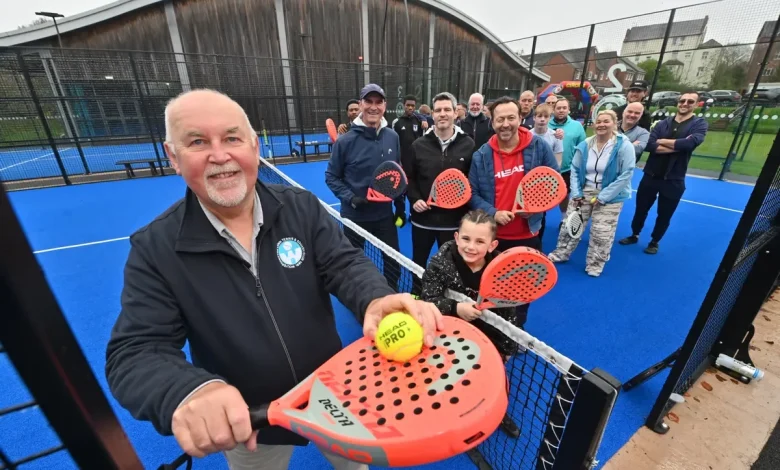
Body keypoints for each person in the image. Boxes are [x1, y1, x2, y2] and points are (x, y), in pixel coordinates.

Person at [104, 88, 444, 470]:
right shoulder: (155, 249)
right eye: (198, 142)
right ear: (173, 158)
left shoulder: (301, 207)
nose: (219, 155)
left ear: (253, 145)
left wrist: (375, 298)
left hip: (334, 392)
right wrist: (189, 391)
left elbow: (344, 263)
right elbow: (135, 352)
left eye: (232, 138)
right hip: (252, 421)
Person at [420, 209, 521, 438]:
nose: (471, 247)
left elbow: (508, 313)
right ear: (456, 238)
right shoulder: (439, 263)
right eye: (465, 238)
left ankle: (498, 410)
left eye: (479, 241)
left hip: (489, 336)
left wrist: (506, 348)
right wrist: (456, 308)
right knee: (453, 376)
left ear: (492, 245)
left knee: (492, 379)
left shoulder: (503, 270)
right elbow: (428, 299)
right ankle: (455, 412)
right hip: (450, 334)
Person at [467, 96, 559, 328]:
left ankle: (516, 333)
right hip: (493, 239)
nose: (505, 124)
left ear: (520, 118)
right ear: (492, 122)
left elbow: (553, 182)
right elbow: (473, 193)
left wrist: (537, 207)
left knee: (522, 292)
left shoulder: (539, 147)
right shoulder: (481, 155)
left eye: (511, 118)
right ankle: (493, 330)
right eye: (500, 119)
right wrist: (493, 212)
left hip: (528, 235)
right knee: (492, 292)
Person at [325, 84, 407, 289]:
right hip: (355, 218)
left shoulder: (392, 137)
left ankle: (391, 296)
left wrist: (399, 207)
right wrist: (352, 199)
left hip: (384, 216)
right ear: (360, 104)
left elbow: (394, 173)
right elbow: (331, 176)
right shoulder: (344, 141)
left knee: (393, 263)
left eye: (378, 102)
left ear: (384, 106)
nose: (373, 107)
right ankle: (360, 301)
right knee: (353, 265)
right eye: (368, 102)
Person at [548, 110, 636, 277]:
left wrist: (603, 197)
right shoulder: (586, 144)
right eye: (599, 121)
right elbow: (575, 169)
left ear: (614, 124)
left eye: (606, 121)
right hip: (584, 190)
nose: (601, 124)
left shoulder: (624, 145)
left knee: (602, 233)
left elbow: (627, 174)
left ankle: (595, 264)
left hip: (611, 195)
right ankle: (561, 253)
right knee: (570, 226)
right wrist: (577, 192)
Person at [618, 91, 708, 254]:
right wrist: (677, 146)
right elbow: (650, 145)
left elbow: (691, 143)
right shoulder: (663, 124)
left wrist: (664, 141)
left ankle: (654, 241)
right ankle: (634, 234)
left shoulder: (699, 124)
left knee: (664, 214)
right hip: (651, 175)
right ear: (678, 103)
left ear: (696, 104)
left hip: (674, 179)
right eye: (682, 101)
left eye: (690, 101)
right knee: (641, 209)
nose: (685, 104)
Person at [402, 92, 475, 279]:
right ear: (432, 114)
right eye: (438, 110)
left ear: (455, 113)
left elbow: (471, 181)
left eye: (447, 110)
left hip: (453, 222)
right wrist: (415, 199)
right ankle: (416, 292)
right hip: (422, 220)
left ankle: (447, 302)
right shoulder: (418, 145)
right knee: (418, 260)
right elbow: (409, 178)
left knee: (452, 265)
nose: (442, 114)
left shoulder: (468, 144)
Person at [547, 97, 587, 216]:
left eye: (564, 108)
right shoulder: (546, 124)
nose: (561, 110)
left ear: (569, 110)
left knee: (565, 195)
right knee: (542, 195)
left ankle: (564, 219)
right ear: (554, 110)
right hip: (546, 169)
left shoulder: (577, 126)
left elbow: (582, 147)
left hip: (567, 169)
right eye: (558, 108)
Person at [531, 103, 563, 243]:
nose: (542, 119)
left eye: (546, 116)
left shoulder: (556, 137)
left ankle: (538, 240)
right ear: (534, 118)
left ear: (550, 118)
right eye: (539, 116)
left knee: (541, 213)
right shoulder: (527, 135)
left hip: (544, 182)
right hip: (528, 181)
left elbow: (558, 161)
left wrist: (549, 180)